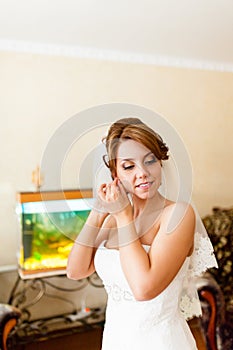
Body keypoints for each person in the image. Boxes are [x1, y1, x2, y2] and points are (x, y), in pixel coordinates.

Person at [67, 117, 217, 350]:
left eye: (150, 161)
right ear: (114, 173)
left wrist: (124, 216)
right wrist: (98, 212)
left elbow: (144, 288)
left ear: (160, 163)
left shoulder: (177, 215)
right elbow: (75, 270)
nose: (143, 173)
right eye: (129, 166)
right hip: (116, 340)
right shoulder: (110, 220)